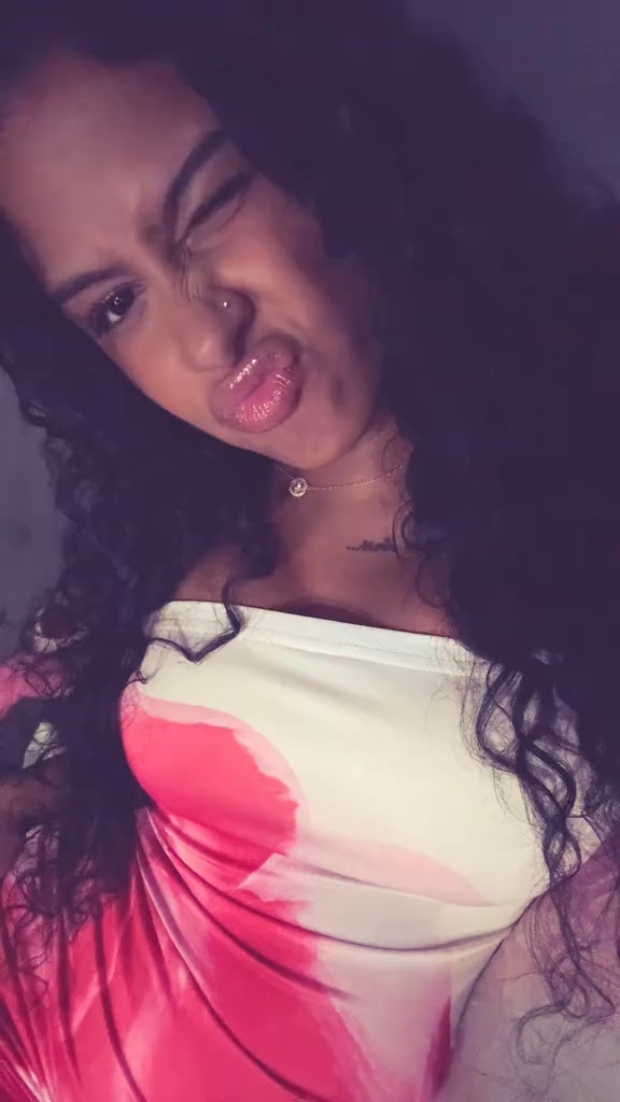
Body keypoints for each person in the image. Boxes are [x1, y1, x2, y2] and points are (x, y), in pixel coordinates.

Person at [0, 1, 619, 1098]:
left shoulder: (581, 480)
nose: (205, 334)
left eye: (210, 205)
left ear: (325, 130)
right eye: (117, 304)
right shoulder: (197, 503)